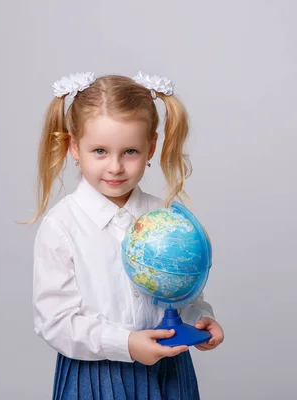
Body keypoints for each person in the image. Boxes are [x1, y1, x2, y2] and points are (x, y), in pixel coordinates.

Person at [29, 71, 224, 399]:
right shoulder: (62, 225)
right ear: (75, 147)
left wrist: (201, 319)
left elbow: (182, 289)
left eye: (130, 152)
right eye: (100, 151)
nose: (116, 167)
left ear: (151, 148)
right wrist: (125, 344)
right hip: (97, 377)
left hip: (169, 373)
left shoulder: (165, 216)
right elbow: (55, 322)